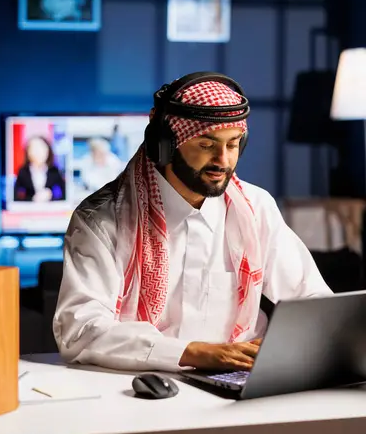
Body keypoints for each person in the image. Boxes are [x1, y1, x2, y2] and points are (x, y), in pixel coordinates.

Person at [53, 72, 332, 373]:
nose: (223, 161)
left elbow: (314, 302)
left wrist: (288, 345)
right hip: (137, 385)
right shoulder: (101, 219)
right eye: (206, 145)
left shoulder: (255, 207)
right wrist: (191, 353)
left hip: (245, 378)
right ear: (165, 145)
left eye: (233, 144)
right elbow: (80, 328)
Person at [14, 135, 66, 202]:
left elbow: (65, 195)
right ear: (28, 152)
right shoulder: (23, 171)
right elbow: (15, 197)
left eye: (41, 148)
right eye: (34, 148)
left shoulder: (54, 171)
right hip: (28, 210)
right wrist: (32, 199)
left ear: (48, 151)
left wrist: (51, 195)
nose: (38, 152)